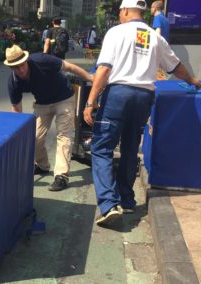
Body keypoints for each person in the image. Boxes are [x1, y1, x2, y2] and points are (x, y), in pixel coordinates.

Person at [83, 0, 201, 226]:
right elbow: (175, 66)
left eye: (119, 12)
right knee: (129, 147)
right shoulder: (155, 37)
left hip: (119, 93)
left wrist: (90, 102)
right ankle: (127, 200)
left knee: (101, 147)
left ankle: (108, 204)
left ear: (125, 11)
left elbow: (104, 68)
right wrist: (194, 81)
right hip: (144, 96)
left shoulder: (116, 33)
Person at [4, 45, 93, 191]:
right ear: (11, 68)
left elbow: (69, 67)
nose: (20, 70)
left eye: (21, 65)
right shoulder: (13, 82)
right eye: (15, 68)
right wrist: (16, 134)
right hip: (42, 103)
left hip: (64, 97)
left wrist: (90, 78)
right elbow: (16, 109)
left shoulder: (42, 60)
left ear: (26, 60)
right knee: (36, 137)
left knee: (64, 135)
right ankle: (42, 165)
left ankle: (61, 176)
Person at [151, 0, 169, 80]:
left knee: (158, 74)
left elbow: (157, 33)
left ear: (155, 8)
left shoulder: (157, 17)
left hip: (158, 48)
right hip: (164, 47)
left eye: (151, 7)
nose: (150, 9)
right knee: (160, 72)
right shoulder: (164, 18)